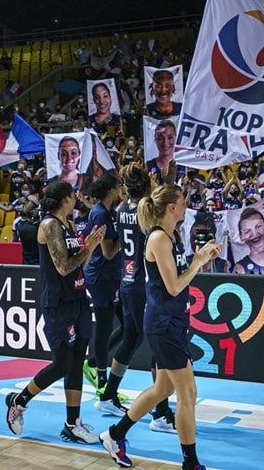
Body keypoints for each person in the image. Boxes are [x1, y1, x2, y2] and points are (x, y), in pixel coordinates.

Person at [99, 184, 219, 470]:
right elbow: (175, 286)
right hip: (163, 324)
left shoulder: (172, 235)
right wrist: (198, 262)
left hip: (172, 321)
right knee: (187, 393)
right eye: (183, 201)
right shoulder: (159, 239)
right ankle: (191, 463)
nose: (186, 205)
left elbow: (176, 278)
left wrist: (200, 259)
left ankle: (115, 435)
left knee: (162, 388)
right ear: (171, 207)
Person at [4, 180, 106, 445]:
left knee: (76, 363)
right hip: (58, 302)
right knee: (62, 364)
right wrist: (90, 247)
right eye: (73, 195)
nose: (76, 198)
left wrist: (89, 246)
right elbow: (63, 267)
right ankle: (20, 401)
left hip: (78, 299)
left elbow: (77, 262)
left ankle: (73, 424)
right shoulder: (49, 225)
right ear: (64, 199)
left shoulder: (70, 225)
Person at [97, 162, 176, 431]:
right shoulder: (146, 209)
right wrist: (166, 183)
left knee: (131, 337)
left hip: (127, 281)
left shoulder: (121, 209)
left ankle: (108, 394)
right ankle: (161, 412)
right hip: (145, 284)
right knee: (158, 343)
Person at [82, 173, 122, 403]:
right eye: (117, 187)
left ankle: (94, 362)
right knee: (105, 326)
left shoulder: (108, 212)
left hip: (111, 275)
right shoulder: (101, 214)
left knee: (128, 327)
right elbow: (107, 252)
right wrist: (127, 238)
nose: (120, 190)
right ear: (109, 191)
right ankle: (101, 378)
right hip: (100, 276)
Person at [146, 119, 185, 185]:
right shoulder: (149, 165)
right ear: (155, 140)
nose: (165, 142)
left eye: (170, 137)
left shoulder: (183, 165)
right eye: (160, 138)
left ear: (176, 138)